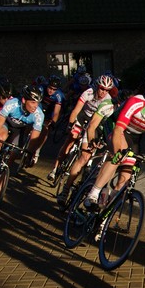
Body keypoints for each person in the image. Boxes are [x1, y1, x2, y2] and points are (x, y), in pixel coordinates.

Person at [83, 83, 145, 209]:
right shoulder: (137, 103)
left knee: (126, 177)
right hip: (116, 126)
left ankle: (107, 209)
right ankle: (93, 194)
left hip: (133, 136)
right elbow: (118, 131)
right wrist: (117, 153)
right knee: (120, 155)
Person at [54, 75, 119, 206]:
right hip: (84, 119)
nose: (103, 92)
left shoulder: (108, 100)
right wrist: (70, 125)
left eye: (107, 90)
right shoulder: (88, 93)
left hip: (97, 126)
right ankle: (65, 189)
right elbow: (76, 111)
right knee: (82, 155)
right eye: (101, 88)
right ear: (97, 86)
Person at [0, 84, 45, 180]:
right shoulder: (12, 104)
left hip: (20, 130)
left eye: (37, 103)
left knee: (15, 152)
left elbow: (34, 138)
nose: (36, 106)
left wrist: (29, 153)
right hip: (6, 124)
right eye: (33, 102)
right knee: (0, 138)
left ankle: (1, 176)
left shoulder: (39, 114)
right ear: (24, 100)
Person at [29, 74, 65, 167]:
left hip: (50, 112)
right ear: (47, 85)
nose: (51, 91)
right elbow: (35, 103)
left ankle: (37, 150)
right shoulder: (41, 88)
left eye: (54, 89)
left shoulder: (59, 96)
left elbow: (56, 112)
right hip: (40, 106)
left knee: (45, 130)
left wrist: (53, 122)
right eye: (50, 88)